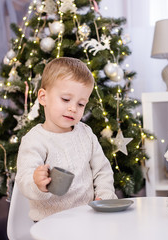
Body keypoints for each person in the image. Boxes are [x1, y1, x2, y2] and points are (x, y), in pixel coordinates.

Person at [15, 57, 117, 221]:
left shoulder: (86, 134)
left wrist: (104, 196)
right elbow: (24, 179)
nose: (73, 108)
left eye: (81, 104)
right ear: (43, 97)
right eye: (65, 99)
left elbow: (102, 170)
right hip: (49, 223)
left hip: (87, 218)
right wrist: (37, 183)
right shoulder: (35, 140)